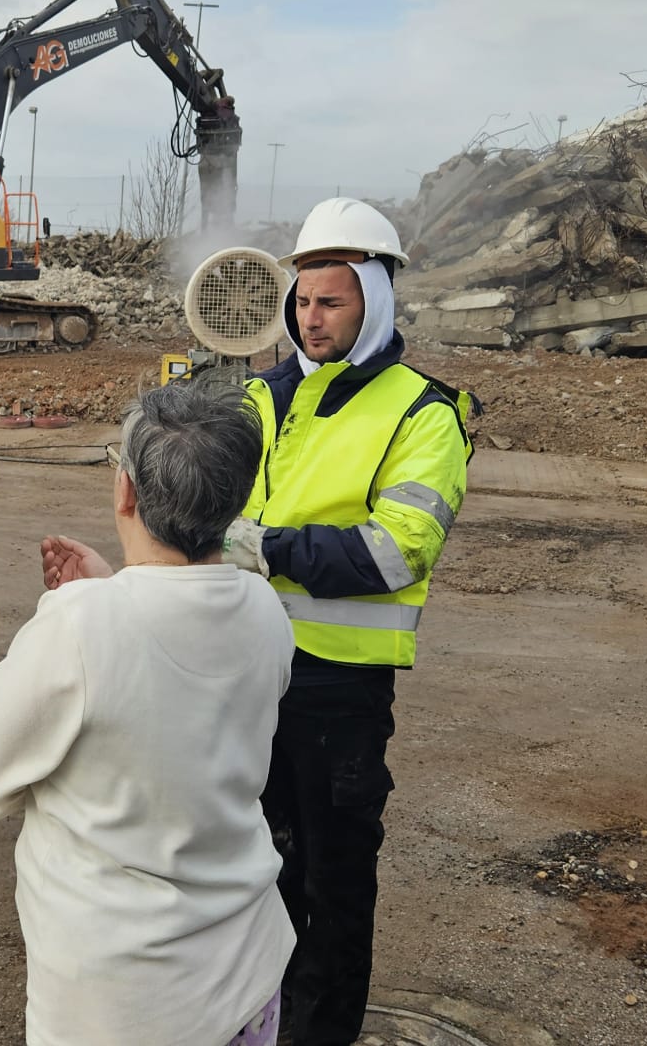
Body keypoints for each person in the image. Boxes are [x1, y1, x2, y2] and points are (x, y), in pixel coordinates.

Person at [0, 382, 296, 1046]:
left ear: (126, 492)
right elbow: (175, 677)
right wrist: (113, 587)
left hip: (122, 999)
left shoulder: (82, 624)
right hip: (245, 967)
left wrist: (88, 605)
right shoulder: (264, 608)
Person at [222, 197, 473, 1045]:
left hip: (335, 691)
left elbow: (397, 552)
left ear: (375, 300)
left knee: (329, 891)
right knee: (249, 879)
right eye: (301, 300)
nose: (311, 316)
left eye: (330, 301)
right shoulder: (260, 393)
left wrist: (267, 548)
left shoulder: (420, 413)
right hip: (241, 675)